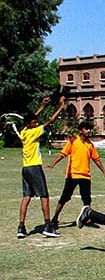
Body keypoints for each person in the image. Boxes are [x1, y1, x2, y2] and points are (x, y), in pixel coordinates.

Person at [47, 121, 105, 231]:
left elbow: (96, 159)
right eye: (86, 129)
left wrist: (104, 172)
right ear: (80, 130)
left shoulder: (90, 145)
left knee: (87, 198)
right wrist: (53, 163)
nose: (88, 131)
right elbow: (63, 154)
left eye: (89, 129)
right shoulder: (73, 141)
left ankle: (88, 218)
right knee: (65, 197)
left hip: (85, 176)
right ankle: (55, 218)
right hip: (73, 174)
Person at [17, 96, 65, 239]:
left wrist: (42, 107)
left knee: (26, 197)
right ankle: (48, 226)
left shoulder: (24, 132)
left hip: (25, 169)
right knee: (44, 196)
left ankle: (21, 227)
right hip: (34, 168)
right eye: (34, 122)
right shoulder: (33, 131)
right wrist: (61, 107)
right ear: (30, 124)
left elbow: (30, 119)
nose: (36, 123)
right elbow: (50, 122)